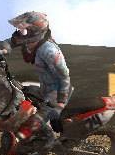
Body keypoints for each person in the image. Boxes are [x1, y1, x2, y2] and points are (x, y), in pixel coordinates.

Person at [8, 11, 71, 146]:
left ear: (35, 32)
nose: (21, 33)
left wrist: (60, 103)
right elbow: (12, 42)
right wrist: (1, 51)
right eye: (20, 30)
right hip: (45, 89)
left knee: (31, 125)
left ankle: (47, 142)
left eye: (24, 30)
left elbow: (64, 77)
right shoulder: (34, 44)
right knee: (18, 94)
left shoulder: (49, 51)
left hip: (57, 94)